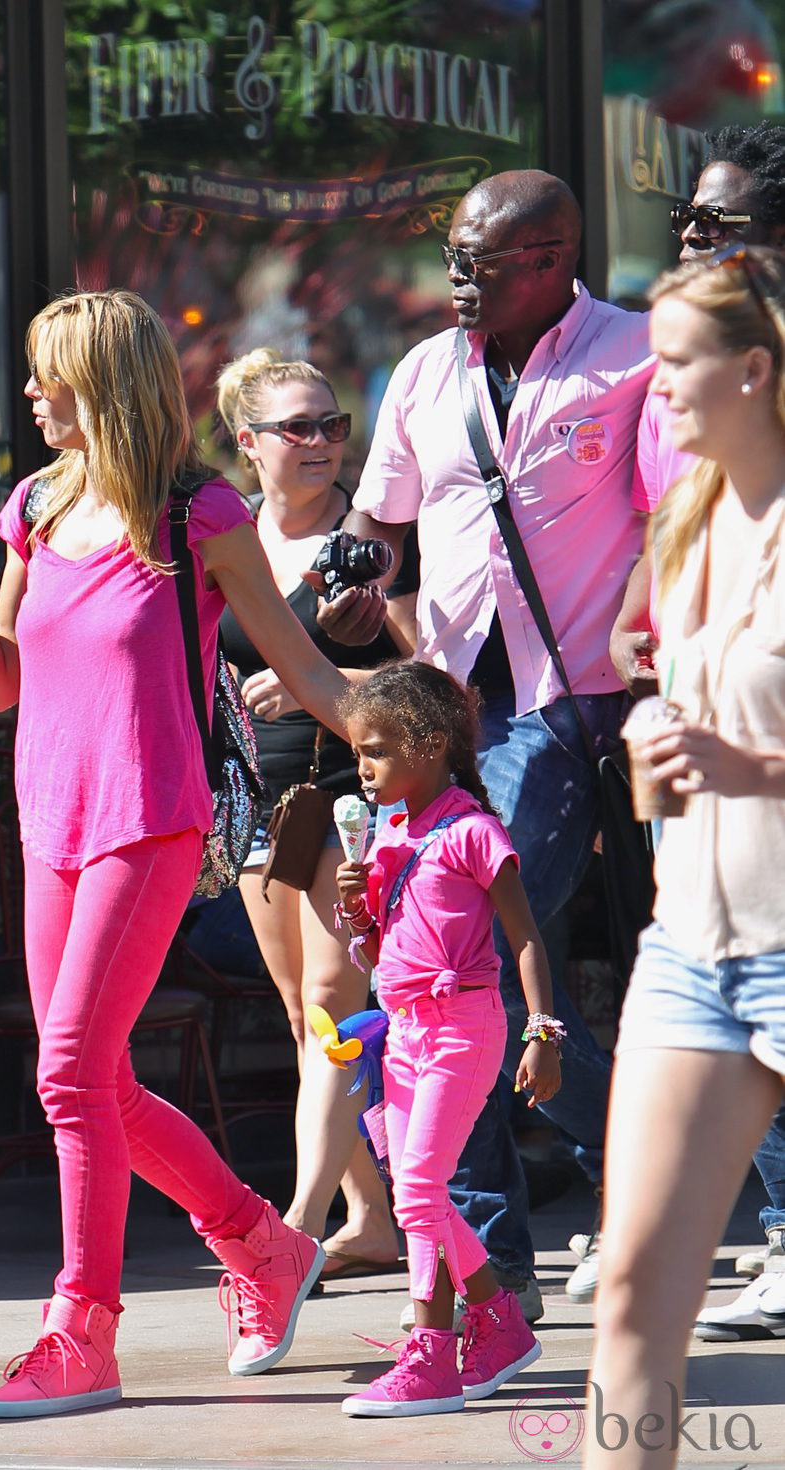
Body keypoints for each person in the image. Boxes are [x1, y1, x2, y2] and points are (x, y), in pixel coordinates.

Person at [0, 289, 353, 1419]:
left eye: (48, 374)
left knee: (68, 1074)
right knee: (93, 1083)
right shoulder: (33, 507)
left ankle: (81, 1330)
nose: (31, 390)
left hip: (152, 817)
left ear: (102, 383)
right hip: (50, 818)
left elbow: (311, 673)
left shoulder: (201, 517)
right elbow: (3, 682)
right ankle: (264, 1246)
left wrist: (423, 756)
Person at [315, 169, 655, 1316]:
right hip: (456, 711)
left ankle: (491, 1264)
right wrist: (357, 587)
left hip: (576, 705)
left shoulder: (634, 358)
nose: (453, 278)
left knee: (455, 971)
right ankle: (514, 1244)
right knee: (468, 989)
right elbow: (379, 525)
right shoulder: (423, 371)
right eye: (449, 254)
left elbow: (672, 518)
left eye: (479, 260)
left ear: (551, 257)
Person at [585, 246, 785, 1470]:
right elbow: (677, 712)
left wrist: (750, 769)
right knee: (626, 1310)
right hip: (692, 951)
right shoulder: (683, 521)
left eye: (670, 364)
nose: (646, 389)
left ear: (754, 370)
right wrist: (650, 749)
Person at [216, 349, 407, 1278]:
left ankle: (293, 1228)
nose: (324, 443)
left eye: (334, 425)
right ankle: (371, 1218)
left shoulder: (370, 542)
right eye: (299, 428)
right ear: (247, 443)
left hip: (350, 802)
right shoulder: (231, 534)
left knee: (336, 1009)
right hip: (259, 806)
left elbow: (438, 687)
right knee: (304, 1018)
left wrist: (320, 687)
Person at [333, 661, 559, 1417]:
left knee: (422, 1192)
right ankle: (497, 1324)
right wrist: (360, 914)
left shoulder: (472, 831)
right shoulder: (395, 834)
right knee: (417, 1195)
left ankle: (431, 1356)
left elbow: (526, 938)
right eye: (359, 750)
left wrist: (543, 1032)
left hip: (463, 1029)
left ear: (429, 744)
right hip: (403, 1034)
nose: (362, 767)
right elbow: (383, 953)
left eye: (376, 750)